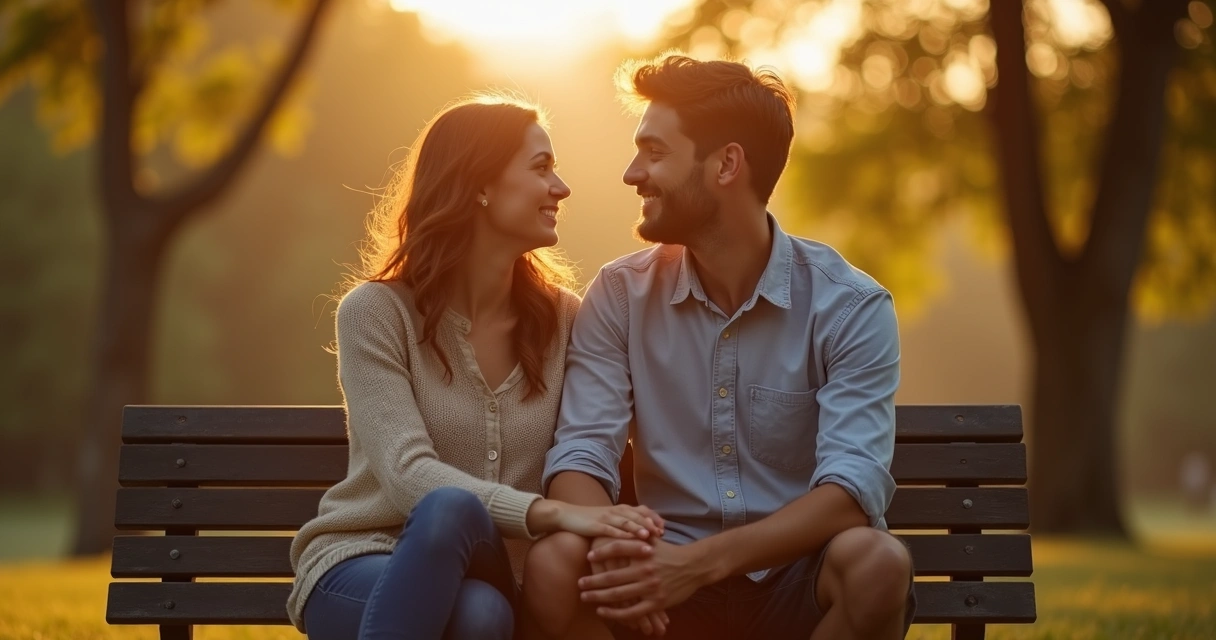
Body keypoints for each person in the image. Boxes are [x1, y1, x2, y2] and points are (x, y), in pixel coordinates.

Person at [523, 55, 916, 640]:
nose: (632, 174)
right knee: (556, 563)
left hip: (792, 577)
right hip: (656, 576)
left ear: (727, 164)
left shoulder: (850, 307)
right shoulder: (620, 295)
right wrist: (621, 549)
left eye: (655, 153)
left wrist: (699, 564)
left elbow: (851, 491)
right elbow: (582, 455)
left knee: (878, 563)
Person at [286, 94, 664, 640]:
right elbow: (407, 475)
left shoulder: (566, 321)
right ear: (480, 185)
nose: (561, 187)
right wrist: (555, 514)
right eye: (541, 167)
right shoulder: (375, 313)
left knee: (472, 564)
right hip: (363, 563)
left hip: (495, 567)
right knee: (474, 595)